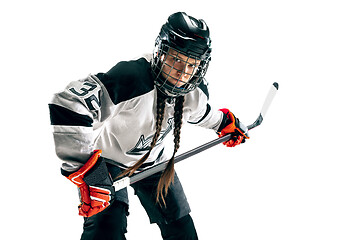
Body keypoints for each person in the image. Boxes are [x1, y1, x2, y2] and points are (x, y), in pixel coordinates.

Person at [49, 12, 249, 240]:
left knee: (182, 229)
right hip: (109, 165)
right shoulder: (131, 78)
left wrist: (226, 124)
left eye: (191, 64)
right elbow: (68, 104)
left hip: (157, 164)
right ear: (161, 52)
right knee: (106, 231)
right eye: (176, 59)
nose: (182, 73)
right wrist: (89, 172)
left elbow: (202, 113)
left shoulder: (194, 92)